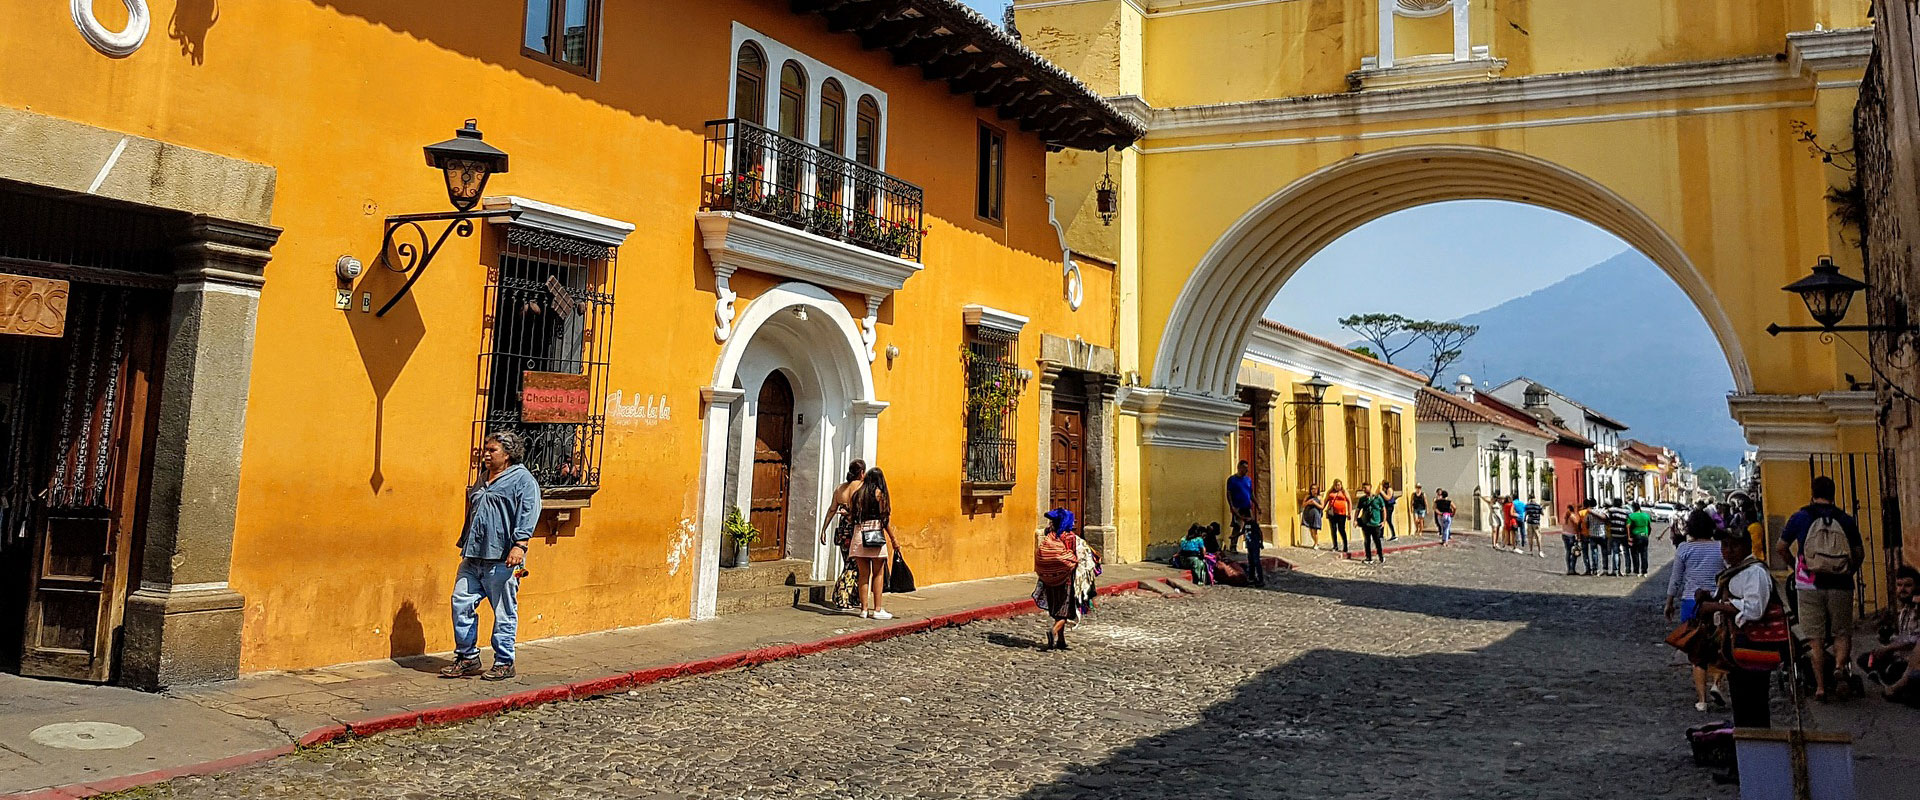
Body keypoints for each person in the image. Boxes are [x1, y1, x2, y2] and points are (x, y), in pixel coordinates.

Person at [442, 430, 540, 681]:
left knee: (504, 612)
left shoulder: (523, 480)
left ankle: (505, 661)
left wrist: (520, 545)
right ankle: (467, 657)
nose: (485, 454)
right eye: (485, 449)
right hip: (473, 556)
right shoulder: (482, 478)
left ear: (507, 454)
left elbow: (529, 512)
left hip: (503, 559)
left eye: (492, 450)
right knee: (460, 602)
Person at [1775, 476, 1865, 701]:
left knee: (1814, 638)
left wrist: (1796, 565)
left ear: (1812, 492)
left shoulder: (1800, 517)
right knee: (1841, 632)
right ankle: (1839, 667)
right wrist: (1847, 571)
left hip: (1808, 584)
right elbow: (1859, 553)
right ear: (1833, 493)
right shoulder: (1845, 519)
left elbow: (1781, 547)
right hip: (1841, 584)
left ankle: (1821, 687)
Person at [1694, 532, 1782, 729]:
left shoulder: (1755, 572)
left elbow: (1754, 609)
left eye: (1734, 546)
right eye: (1724, 545)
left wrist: (1717, 607)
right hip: (1734, 648)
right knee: (1741, 701)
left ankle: (1757, 746)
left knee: (1755, 702)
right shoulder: (1732, 572)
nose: (1728, 550)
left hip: (1754, 646)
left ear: (1747, 547)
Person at [1667, 509, 1729, 711]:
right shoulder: (1720, 547)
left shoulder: (1684, 549)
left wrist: (1669, 602)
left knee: (1697, 652)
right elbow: (1729, 574)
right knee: (1721, 646)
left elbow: (1676, 579)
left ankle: (1701, 700)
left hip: (1691, 604)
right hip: (1717, 601)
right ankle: (1717, 683)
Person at [848, 467, 900, 620]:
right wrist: (893, 538)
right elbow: (885, 519)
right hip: (875, 533)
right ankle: (877, 609)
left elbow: (852, 517)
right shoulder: (879, 494)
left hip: (859, 534)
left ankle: (863, 609)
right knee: (878, 573)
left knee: (863, 575)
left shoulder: (857, 495)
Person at [1858, 566, 1919, 692]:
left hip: (1912, 662)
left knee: (1897, 670)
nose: (1902, 589)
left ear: (1916, 587)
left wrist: (1890, 648)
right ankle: (1887, 678)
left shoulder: (1918, 611)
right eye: (1899, 585)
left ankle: (1893, 682)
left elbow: (1914, 641)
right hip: (1900, 656)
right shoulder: (1904, 611)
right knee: (1866, 659)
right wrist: (1888, 641)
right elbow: (1903, 637)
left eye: (1907, 585)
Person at [818, 460, 866, 610]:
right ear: (862, 472)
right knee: (854, 565)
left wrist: (824, 528)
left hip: (843, 529)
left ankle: (852, 597)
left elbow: (832, 509)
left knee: (849, 561)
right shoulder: (862, 487)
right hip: (856, 530)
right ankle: (840, 595)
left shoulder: (840, 489)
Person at [1035, 508, 1082, 650]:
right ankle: (1053, 631)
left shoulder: (1049, 535)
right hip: (1065, 580)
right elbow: (1077, 557)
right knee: (1065, 611)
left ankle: (1061, 640)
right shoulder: (1070, 538)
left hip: (1049, 579)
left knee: (1057, 608)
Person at [1227, 460, 1257, 553]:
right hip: (1237, 507)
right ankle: (1233, 546)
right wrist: (1232, 506)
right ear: (1239, 468)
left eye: (1247, 469)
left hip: (1247, 506)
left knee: (1249, 526)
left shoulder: (1248, 480)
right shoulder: (1232, 480)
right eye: (1244, 468)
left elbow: (1251, 493)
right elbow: (1229, 494)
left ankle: (1250, 545)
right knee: (1237, 526)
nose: (1246, 470)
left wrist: (1257, 505)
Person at [1356, 481, 1388, 563]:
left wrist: (1383, 521)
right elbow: (1358, 510)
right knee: (1367, 541)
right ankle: (1368, 558)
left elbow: (1383, 510)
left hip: (1376, 523)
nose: (1364, 489)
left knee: (1377, 541)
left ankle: (1381, 556)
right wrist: (1355, 520)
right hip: (1366, 523)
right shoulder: (1362, 499)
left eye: (1365, 487)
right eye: (1363, 488)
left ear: (1370, 487)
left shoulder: (1378, 498)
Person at [1605, 499, 1632, 577]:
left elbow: (1606, 517)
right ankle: (1627, 569)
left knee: (1615, 552)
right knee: (1626, 552)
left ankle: (1616, 570)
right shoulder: (1626, 512)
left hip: (1614, 533)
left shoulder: (1611, 510)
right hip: (1623, 534)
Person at [1627, 502, 1654, 576]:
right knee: (1644, 554)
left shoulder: (1631, 516)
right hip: (1644, 536)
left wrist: (1629, 537)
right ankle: (1644, 571)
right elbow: (1649, 526)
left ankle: (1636, 570)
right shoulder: (1646, 515)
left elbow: (1628, 526)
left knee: (1635, 553)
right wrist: (1647, 534)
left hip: (1636, 536)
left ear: (1633, 508)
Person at [1582, 498, 1607, 576]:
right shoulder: (1601, 511)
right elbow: (1605, 519)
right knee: (1604, 552)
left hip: (1592, 534)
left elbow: (1586, 523)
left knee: (1594, 553)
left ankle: (1595, 569)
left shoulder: (1588, 513)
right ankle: (1605, 568)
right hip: (1602, 533)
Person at [1326, 480, 1351, 554]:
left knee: (1341, 529)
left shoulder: (1344, 492)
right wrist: (1322, 509)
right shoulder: (1331, 493)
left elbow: (1349, 501)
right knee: (1333, 530)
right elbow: (1326, 501)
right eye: (1336, 485)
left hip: (1342, 513)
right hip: (1332, 513)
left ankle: (1345, 545)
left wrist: (1349, 512)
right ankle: (1335, 545)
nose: (1338, 486)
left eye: (1339, 485)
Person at [1560, 504, 1584, 576]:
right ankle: (1572, 569)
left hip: (1565, 534)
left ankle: (1569, 568)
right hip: (1571, 535)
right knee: (1574, 552)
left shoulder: (1566, 516)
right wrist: (1579, 536)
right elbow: (1576, 526)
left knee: (1568, 552)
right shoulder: (1573, 516)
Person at [1300, 484, 1325, 550]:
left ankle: (1316, 543)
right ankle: (1315, 542)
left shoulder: (1319, 497)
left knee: (1315, 530)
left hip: (1316, 515)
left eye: (1315, 489)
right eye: (1312, 489)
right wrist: (1308, 502)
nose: (1313, 490)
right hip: (1308, 514)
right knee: (1311, 530)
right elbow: (1303, 505)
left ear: (1317, 490)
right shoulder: (1307, 496)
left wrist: (1315, 503)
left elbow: (1322, 507)